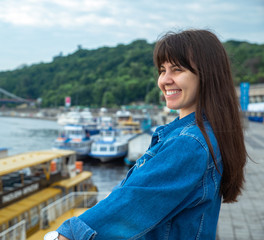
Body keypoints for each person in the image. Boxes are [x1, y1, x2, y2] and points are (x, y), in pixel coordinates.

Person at [49, 29, 248, 240]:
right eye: (162, 70)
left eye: (177, 70)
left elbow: (130, 204)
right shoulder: (206, 132)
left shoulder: (188, 143)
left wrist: (67, 234)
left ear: (207, 75)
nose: (164, 80)